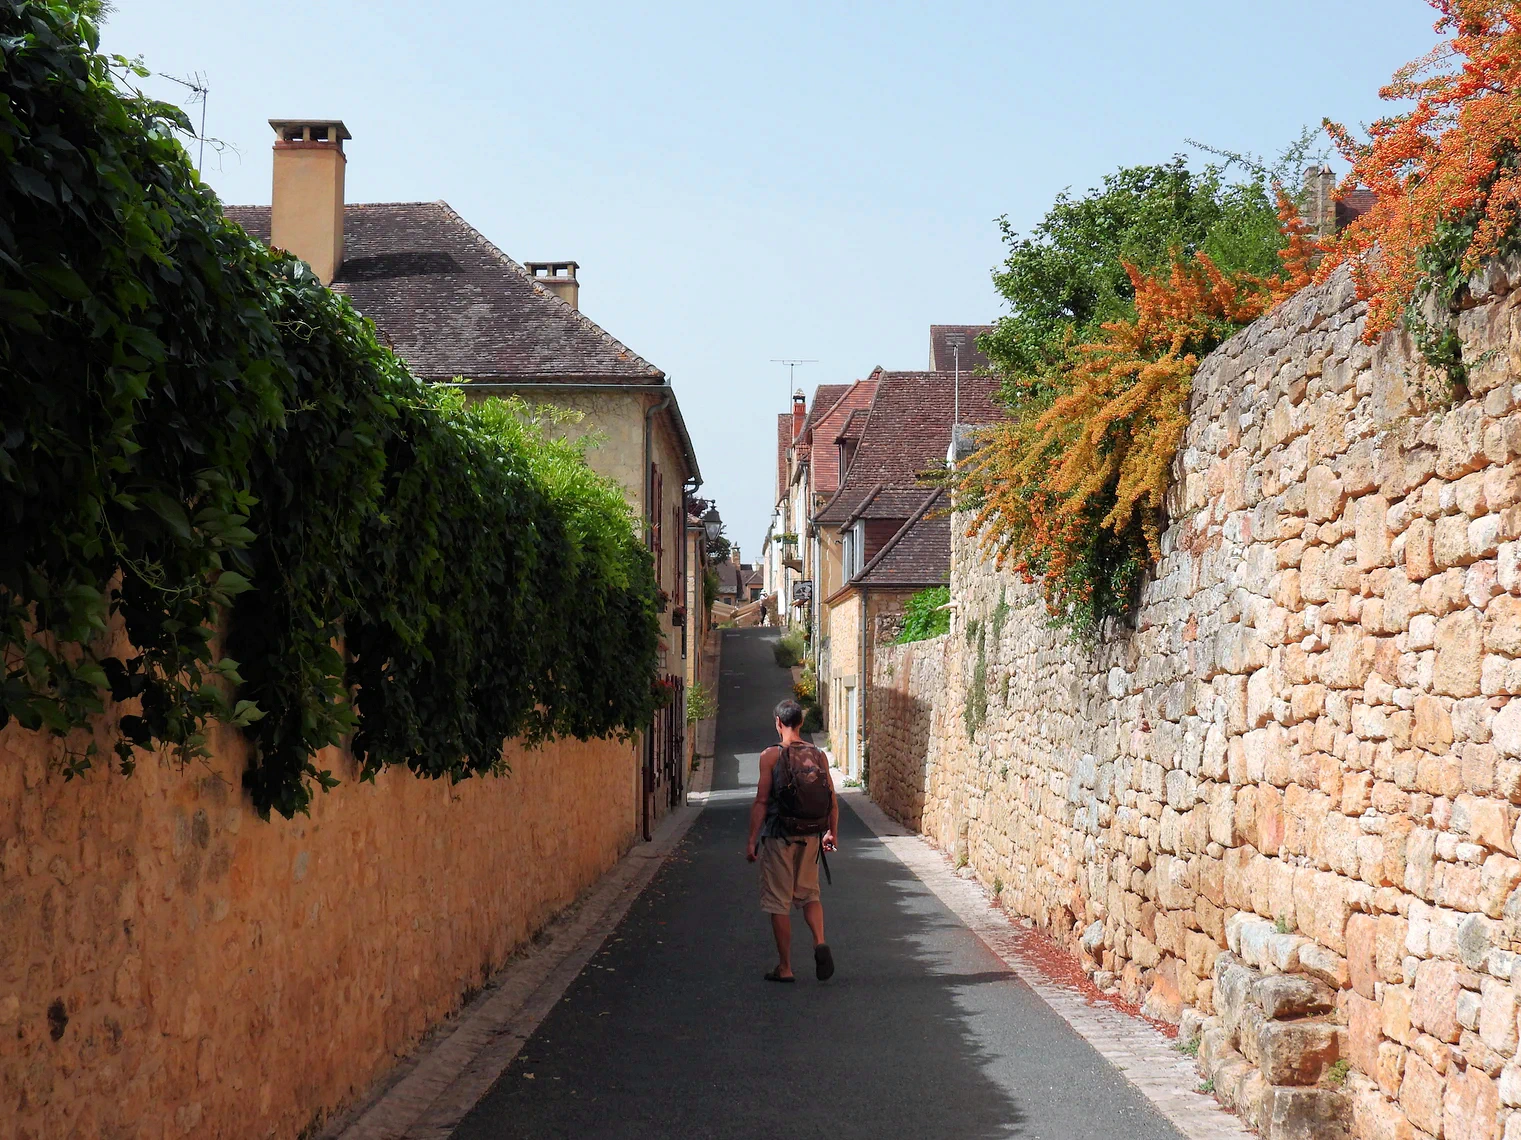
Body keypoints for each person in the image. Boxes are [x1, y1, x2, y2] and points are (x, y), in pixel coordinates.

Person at [746, 698, 838, 982]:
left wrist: (752, 840)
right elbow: (832, 800)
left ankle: (785, 967)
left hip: (778, 837)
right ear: (800, 723)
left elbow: (762, 801)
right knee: (810, 894)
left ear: (778, 723)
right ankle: (820, 941)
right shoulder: (818, 755)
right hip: (811, 836)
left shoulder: (770, 756)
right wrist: (830, 832)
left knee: (778, 902)